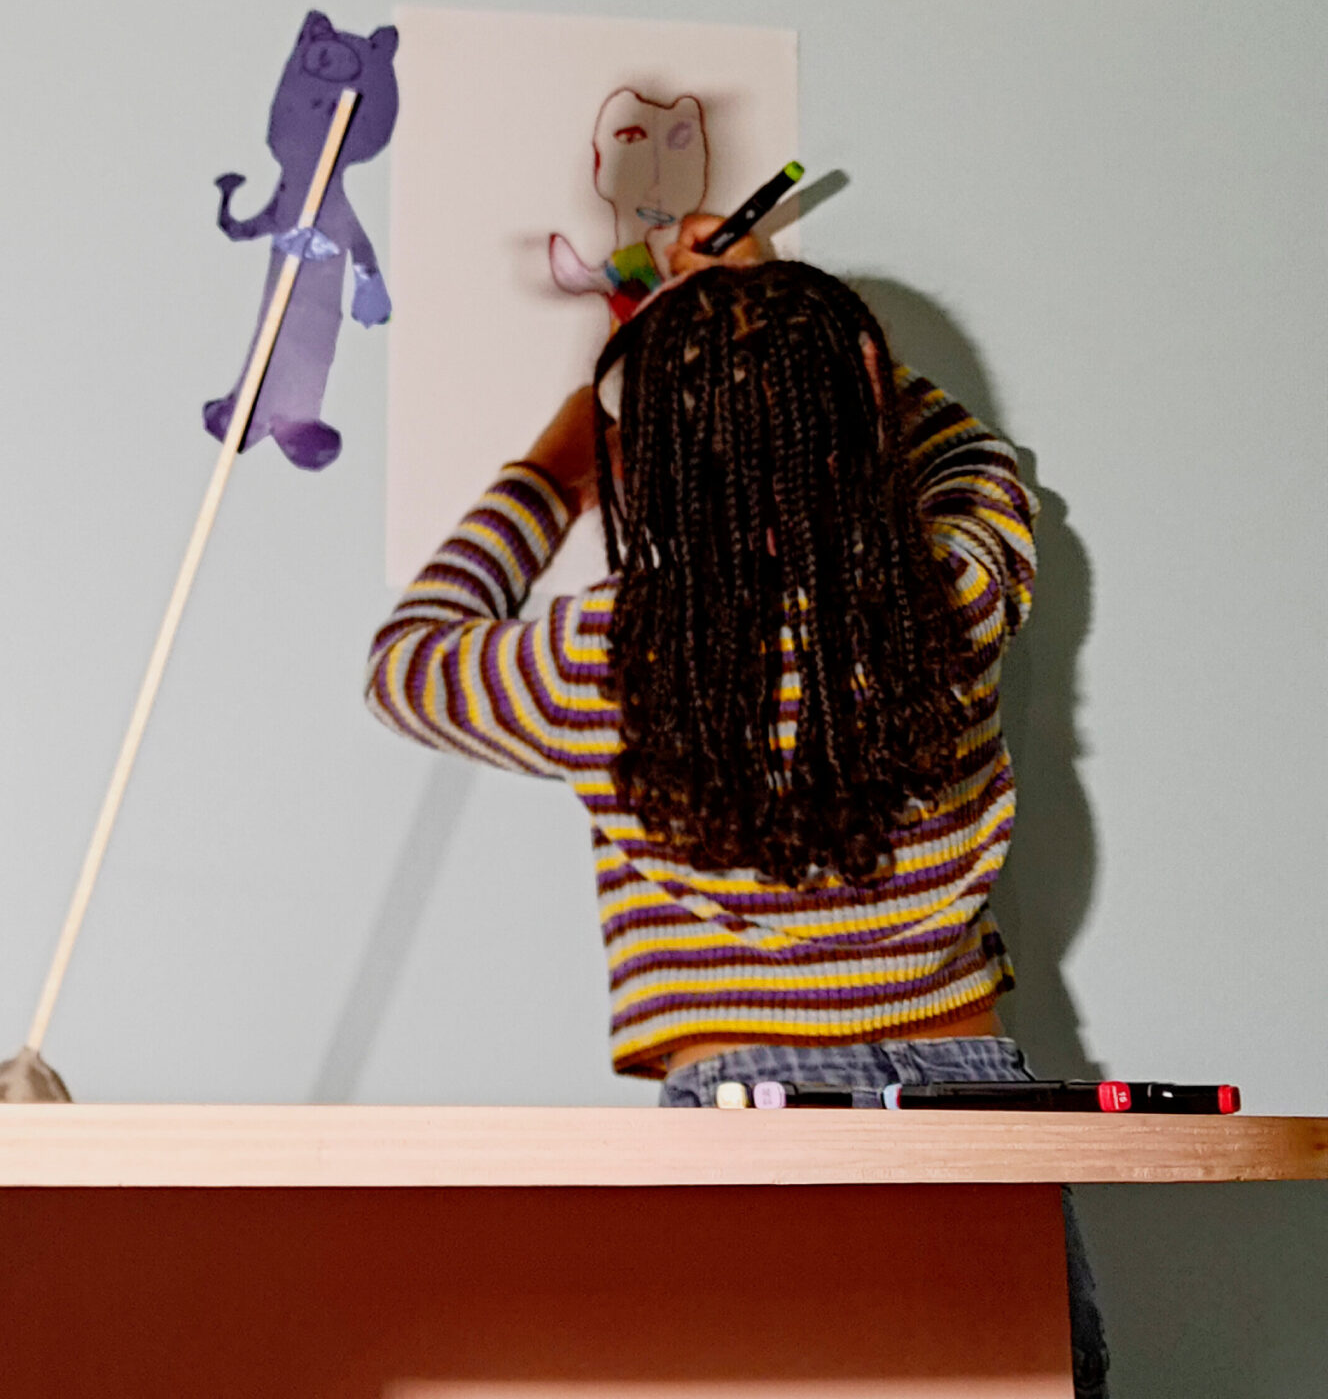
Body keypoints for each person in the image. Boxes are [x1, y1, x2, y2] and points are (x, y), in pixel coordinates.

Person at [365, 217, 1105, 1395]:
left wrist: (546, 477)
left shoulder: (604, 660)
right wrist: (793, 328)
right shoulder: (946, 604)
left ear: (651, 460)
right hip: (967, 1094)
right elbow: (980, 472)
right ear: (862, 406)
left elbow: (407, 663)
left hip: (740, 1112)